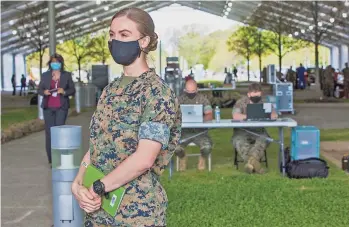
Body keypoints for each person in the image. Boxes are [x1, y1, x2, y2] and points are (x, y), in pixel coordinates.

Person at [71, 8, 182, 227]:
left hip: (136, 212)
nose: (115, 41)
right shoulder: (110, 90)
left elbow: (144, 159)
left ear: (144, 41)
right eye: (112, 35)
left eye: (124, 35)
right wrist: (78, 181)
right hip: (99, 208)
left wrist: (97, 188)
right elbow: (98, 144)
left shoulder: (156, 93)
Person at [38, 53, 76, 165]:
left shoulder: (67, 75)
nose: (55, 64)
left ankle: (59, 158)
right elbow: (39, 89)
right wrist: (43, 92)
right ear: (50, 64)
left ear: (61, 63)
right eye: (53, 62)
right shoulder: (45, 75)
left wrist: (64, 92)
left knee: (59, 133)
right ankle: (51, 160)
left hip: (61, 107)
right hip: (48, 108)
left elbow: (72, 90)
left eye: (57, 62)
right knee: (49, 133)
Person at [231, 83, 278, 174]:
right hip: (242, 131)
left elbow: (274, 115)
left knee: (264, 139)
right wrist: (249, 116)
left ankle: (251, 164)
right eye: (254, 96)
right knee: (239, 142)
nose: (256, 98)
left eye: (258, 95)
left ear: (261, 94)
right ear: (249, 94)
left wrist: (270, 115)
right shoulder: (241, 102)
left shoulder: (264, 103)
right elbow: (235, 115)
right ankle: (256, 165)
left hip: (258, 131)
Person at [175, 79, 213, 171]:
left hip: (200, 132)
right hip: (183, 132)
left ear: (197, 89)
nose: (191, 93)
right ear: (185, 90)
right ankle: (182, 158)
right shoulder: (179, 100)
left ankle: (202, 159)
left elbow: (209, 114)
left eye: (193, 91)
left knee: (207, 147)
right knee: (175, 147)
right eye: (188, 91)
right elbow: (173, 114)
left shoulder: (203, 99)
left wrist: (201, 120)